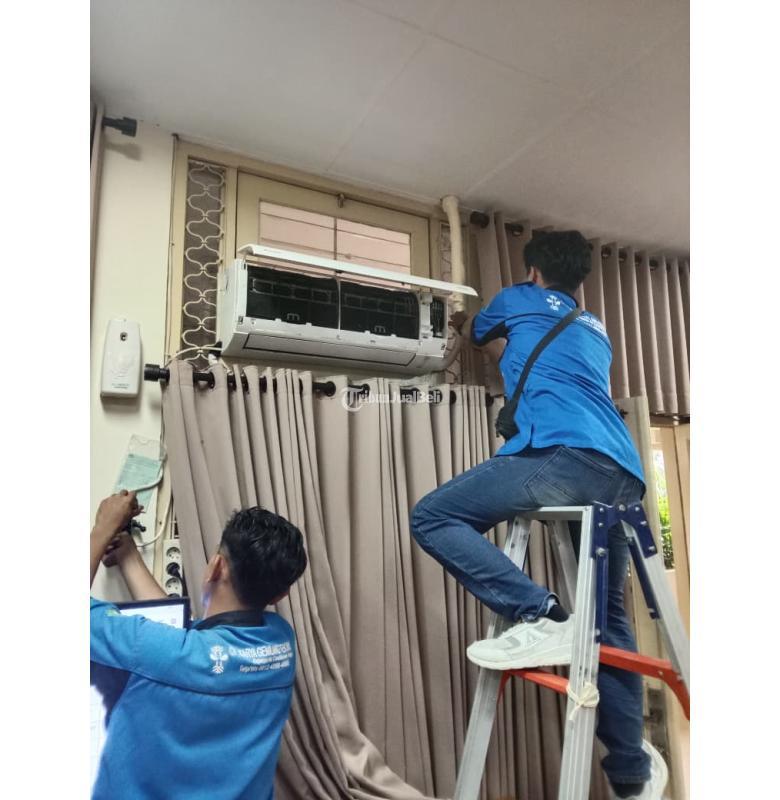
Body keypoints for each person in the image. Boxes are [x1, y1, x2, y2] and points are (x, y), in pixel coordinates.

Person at [410, 231, 666, 800]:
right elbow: (528, 361)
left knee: (432, 517)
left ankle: (541, 614)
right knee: (607, 622)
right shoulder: (595, 328)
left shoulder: (516, 299)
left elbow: (478, 333)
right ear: (579, 279)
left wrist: (463, 319)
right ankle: (630, 772)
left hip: (563, 456)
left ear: (532, 272)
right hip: (622, 472)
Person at [90, 490, 308, 800]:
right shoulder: (281, 641)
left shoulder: (169, 652)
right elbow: (186, 641)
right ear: (280, 595)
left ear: (216, 566)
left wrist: (103, 529)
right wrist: (129, 558)